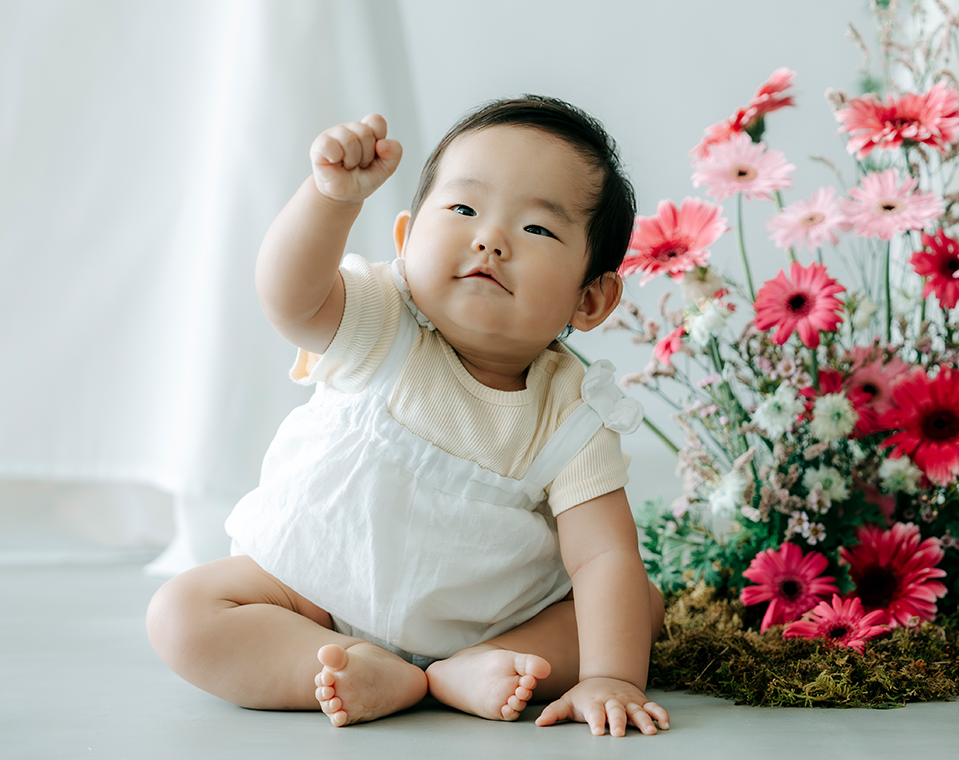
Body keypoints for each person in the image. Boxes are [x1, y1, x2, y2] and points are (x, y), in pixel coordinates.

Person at [146, 96, 670, 737]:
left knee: (638, 605)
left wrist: (612, 678)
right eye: (462, 208)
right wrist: (332, 198)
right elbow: (289, 300)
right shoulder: (383, 323)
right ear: (404, 239)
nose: (490, 239)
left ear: (591, 298)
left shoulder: (573, 413)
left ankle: (469, 665)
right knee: (184, 612)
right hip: (312, 597)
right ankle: (349, 667)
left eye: (537, 228)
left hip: (492, 623)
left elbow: (602, 557)